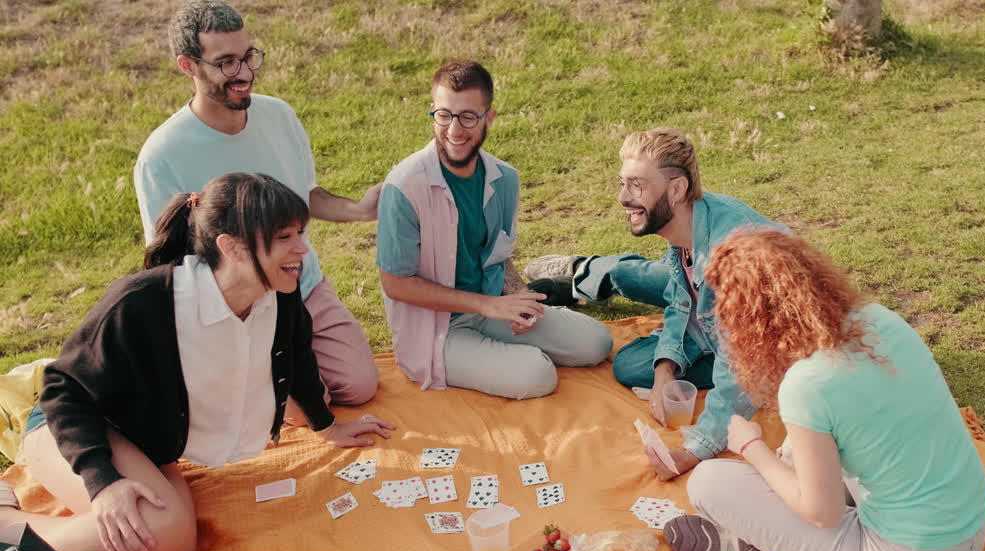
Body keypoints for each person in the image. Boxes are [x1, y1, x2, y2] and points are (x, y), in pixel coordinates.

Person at [0, 173, 394, 551]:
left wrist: (327, 428)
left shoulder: (280, 293)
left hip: (146, 443)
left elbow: (297, 359)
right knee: (159, 535)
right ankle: (9, 535)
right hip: (72, 430)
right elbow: (63, 390)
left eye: (301, 233)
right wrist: (103, 484)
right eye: (285, 237)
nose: (303, 250)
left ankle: (37, 546)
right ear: (232, 247)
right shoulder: (143, 302)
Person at [661, 230, 985, 551]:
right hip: (969, 529)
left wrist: (751, 447)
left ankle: (744, 539)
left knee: (710, 481)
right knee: (796, 452)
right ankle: (762, 532)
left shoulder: (808, 384)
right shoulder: (880, 320)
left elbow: (824, 513)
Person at [134, 0, 379, 411]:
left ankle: (278, 378)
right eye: (226, 62)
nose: (244, 73)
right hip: (238, 306)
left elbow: (306, 197)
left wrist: (360, 209)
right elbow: (170, 262)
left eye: (248, 57)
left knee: (359, 388)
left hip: (303, 285)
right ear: (187, 65)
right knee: (306, 408)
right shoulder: (161, 155)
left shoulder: (279, 116)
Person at [375, 60, 613, 399]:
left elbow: (498, 256)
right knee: (537, 374)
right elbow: (395, 284)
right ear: (433, 112)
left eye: (468, 116)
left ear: (489, 117)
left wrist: (518, 296)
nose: (454, 130)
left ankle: (507, 347)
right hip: (437, 332)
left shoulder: (505, 179)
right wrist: (486, 305)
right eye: (444, 115)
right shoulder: (402, 186)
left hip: (491, 308)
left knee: (596, 343)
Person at [587, 128, 784, 479]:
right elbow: (680, 302)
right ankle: (594, 271)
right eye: (622, 183)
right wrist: (665, 370)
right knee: (634, 358)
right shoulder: (687, 225)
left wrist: (695, 450)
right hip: (708, 310)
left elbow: (738, 372)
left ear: (676, 189)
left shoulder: (733, 261)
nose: (622, 197)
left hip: (761, 338)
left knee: (743, 376)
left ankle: (607, 272)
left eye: (637, 186)